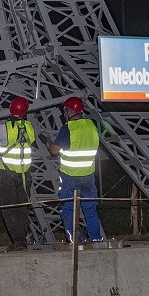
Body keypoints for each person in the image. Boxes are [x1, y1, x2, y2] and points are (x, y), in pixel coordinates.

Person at [40, 96, 102, 243]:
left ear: (70, 111)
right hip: (88, 175)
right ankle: (95, 238)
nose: (63, 114)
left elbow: (54, 151)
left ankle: (74, 240)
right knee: (90, 210)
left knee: (68, 210)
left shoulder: (68, 128)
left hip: (70, 177)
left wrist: (48, 142)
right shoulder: (91, 125)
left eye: (65, 110)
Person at [0, 97, 35, 251]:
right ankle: (22, 239)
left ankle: (18, 241)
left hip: (7, 174)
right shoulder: (29, 127)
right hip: (24, 175)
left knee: (9, 209)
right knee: (22, 208)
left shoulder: (5, 128)